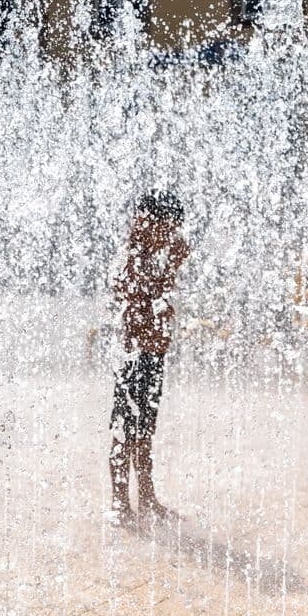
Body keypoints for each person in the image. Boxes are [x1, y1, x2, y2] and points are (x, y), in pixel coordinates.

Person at [108, 190, 190, 525]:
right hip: (132, 357)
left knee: (144, 433)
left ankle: (147, 498)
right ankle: (119, 503)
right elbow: (138, 295)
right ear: (148, 222)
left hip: (152, 356)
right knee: (124, 431)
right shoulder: (132, 257)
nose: (172, 235)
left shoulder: (150, 255)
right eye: (168, 227)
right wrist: (171, 265)